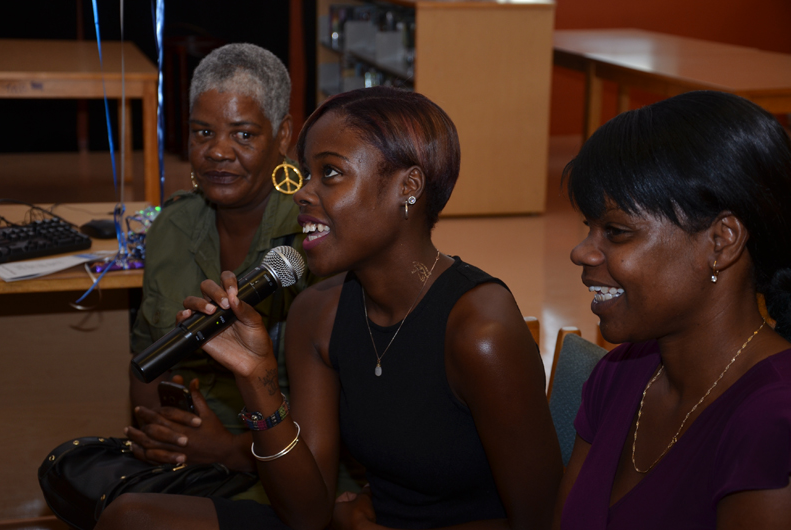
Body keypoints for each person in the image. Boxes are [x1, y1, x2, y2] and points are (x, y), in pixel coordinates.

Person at [96, 86, 563, 529]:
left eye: (331, 173)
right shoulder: (317, 311)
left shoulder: (480, 329)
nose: (302, 193)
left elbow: (543, 521)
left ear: (408, 186)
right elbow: (307, 514)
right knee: (129, 517)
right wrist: (258, 380)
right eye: (305, 174)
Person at [553, 91, 791, 529]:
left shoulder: (773, 421)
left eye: (616, 231)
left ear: (721, 241)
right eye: (590, 228)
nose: (581, 252)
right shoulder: (620, 373)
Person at [126, 43, 317, 481]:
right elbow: (145, 360)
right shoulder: (171, 227)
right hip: (185, 455)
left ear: (283, 135)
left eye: (243, 135)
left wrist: (227, 452)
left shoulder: (314, 236)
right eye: (203, 132)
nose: (217, 151)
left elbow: (344, 409)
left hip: (287, 463)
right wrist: (164, 440)